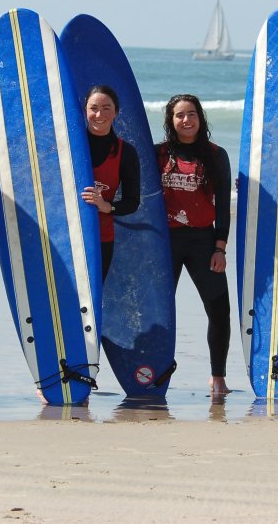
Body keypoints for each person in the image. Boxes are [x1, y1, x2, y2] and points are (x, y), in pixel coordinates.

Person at [156, 94, 232, 396]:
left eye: (191, 114)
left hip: (203, 240)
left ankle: (218, 377)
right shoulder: (157, 154)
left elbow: (224, 204)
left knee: (219, 310)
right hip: (165, 243)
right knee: (160, 313)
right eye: (179, 115)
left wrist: (220, 247)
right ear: (170, 120)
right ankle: (155, 372)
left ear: (200, 118)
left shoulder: (215, 155)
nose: (186, 120)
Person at [79, 85, 140, 280]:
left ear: (116, 112)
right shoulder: (68, 146)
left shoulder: (125, 153)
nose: (99, 114)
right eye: (93, 108)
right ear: (85, 110)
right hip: (66, 234)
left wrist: (107, 207)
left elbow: (132, 202)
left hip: (101, 238)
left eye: (106, 108)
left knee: (92, 301)